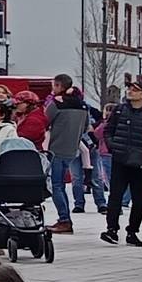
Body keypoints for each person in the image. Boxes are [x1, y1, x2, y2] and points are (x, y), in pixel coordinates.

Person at [99, 82, 142, 246]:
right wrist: (113, 146)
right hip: (120, 159)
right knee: (115, 196)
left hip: (140, 162)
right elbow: (109, 130)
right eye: (129, 89)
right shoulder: (120, 110)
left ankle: (132, 231)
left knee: (138, 199)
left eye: (135, 90)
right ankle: (111, 229)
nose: (130, 92)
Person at [41, 77, 95, 232]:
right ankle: (65, 218)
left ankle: (64, 219)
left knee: (57, 186)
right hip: (72, 149)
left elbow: (44, 121)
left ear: (59, 85)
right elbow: (86, 127)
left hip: (56, 148)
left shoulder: (56, 103)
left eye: (54, 86)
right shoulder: (83, 105)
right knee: (62, 185)